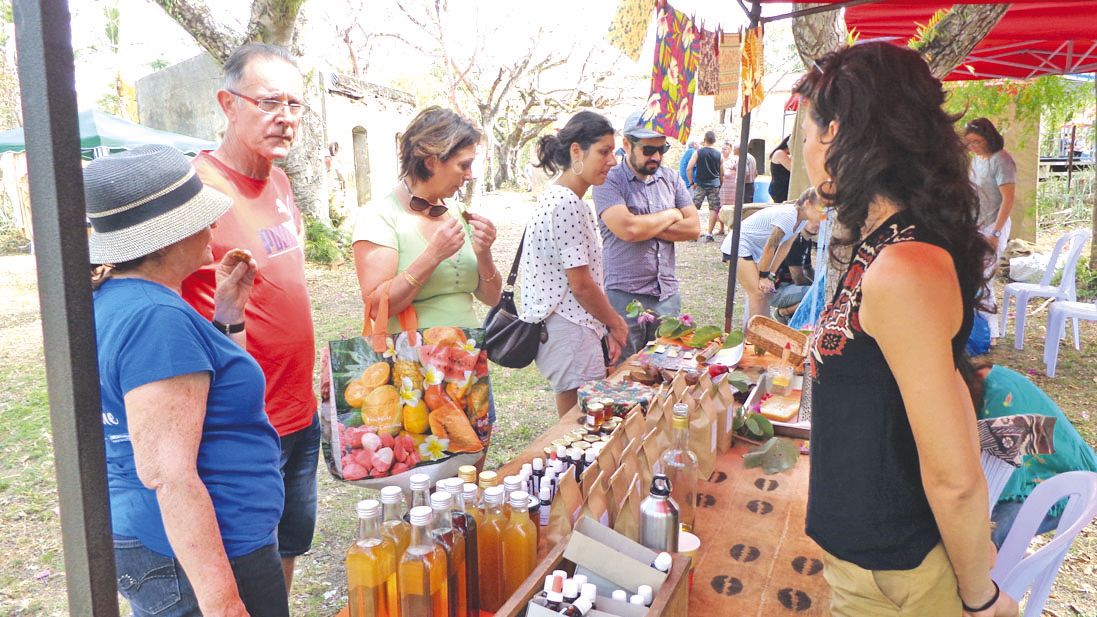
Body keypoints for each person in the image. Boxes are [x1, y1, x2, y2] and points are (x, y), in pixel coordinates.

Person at [798, 43, 1017, 617]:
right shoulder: (884, 246)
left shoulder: (903, 267)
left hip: (894, 580)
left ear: (835, 133)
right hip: (872, 566)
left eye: (805, 131)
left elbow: (953, 474)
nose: (801, 148)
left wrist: (979, 598)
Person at [89, 145, 287, 616]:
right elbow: (170, 473)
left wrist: (227, 314)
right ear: (163, 238)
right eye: (198, 217)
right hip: (207, 555)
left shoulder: (129, 300)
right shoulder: (156, 319)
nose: (212, 226)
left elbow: (206, 400)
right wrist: (222, 602)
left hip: (187, 545)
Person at [179, 43, 318, 591]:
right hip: (242, 420)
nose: (285, 117)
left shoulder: (280, 182)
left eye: (295, 104)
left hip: (298, 408)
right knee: (244, 572)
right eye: (268, 102)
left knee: (287, 549)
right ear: (227, 104)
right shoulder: (196, 193)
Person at [353, 106, 502, 333]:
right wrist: (433, 256)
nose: (470, 175)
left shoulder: (458, 212)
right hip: (413, 362)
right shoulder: (379, 217)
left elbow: (492, 298)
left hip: (469, 357)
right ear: (431, 162)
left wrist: (484, 253)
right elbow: (376, 309)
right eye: (464, 165)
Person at [520, 111, 629, 415]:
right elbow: (580, 285)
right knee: (581, 427)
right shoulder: (568, 203)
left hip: (567, 330)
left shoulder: (557, 197)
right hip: (569, 330)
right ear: (576, 151)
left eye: (613, 151)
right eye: (604, 151)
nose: (612, 160)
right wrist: (616, 323)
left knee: (575, 426)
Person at [592, 110, 700, 359]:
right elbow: (628, 230)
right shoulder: (609, 181)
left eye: (662, 149)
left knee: (666, 369)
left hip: (666, 295)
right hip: (623, 296)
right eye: (648, 150)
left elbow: (693, 228)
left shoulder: (671, 178)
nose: (657, 156)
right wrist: (672, 214)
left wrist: (645, 226)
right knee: (624, 373)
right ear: (627, 144)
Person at [958, 357, 1097, 548]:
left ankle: (998, 570)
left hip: (1062, 485)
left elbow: (999, 483)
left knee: (979, 542)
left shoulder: (1001, 397)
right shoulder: (973, 383)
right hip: (1025, 478)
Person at [722, 188, 821, 326]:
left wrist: (771, 275)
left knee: (765, 293)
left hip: (753, 250)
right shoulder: (789, 215)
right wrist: (763, 276)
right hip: (739, 245)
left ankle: (763, 333)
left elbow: (784, 247)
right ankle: (754, 338)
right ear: (808, 204)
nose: (823, 215)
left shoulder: (802, 220)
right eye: (821, 209)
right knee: (757, 293)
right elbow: (771, 246)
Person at [964, 118, 1017, 341]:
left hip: (994, 224)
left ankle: (990, 332)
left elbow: (1008, 199)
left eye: (977, 141)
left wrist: (996, 232)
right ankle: (978, 330)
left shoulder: (1001, 160)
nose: (973, 146)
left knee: (985, 276)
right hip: (976, 223)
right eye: (969, 143)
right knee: (974, 276)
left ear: (988, 138)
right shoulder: (976, 160)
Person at [686, 130, 724, 241]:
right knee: (714, 208)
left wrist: (692, 182)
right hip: (714, 184)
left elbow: (689, 168)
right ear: (714, 140)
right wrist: (720, 184)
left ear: (704, 140)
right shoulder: (719, 154)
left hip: (701, 184)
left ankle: (694, 232)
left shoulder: (698, 152)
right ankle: (709, 233)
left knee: (693, 208)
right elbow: (722, 173)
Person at [768, 135, 792, 202]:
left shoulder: (782, 154)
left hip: (781, 188)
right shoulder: (780, 153)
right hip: (780, 189)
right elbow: (793, 169)